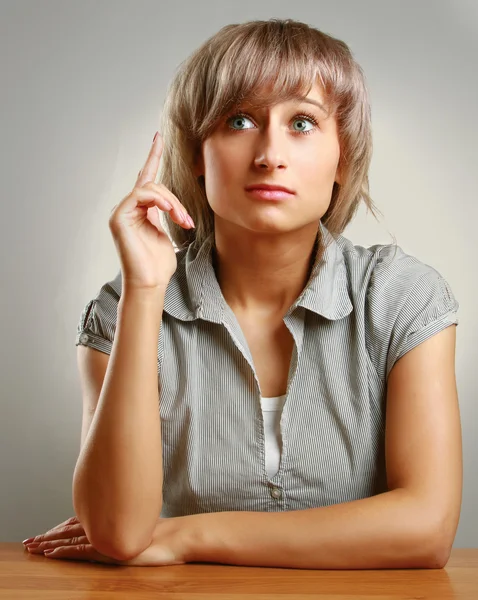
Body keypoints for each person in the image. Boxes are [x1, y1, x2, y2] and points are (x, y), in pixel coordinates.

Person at [23, 18, 462, 569]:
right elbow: (118, 531)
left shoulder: (402, 297)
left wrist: (184, 536)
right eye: (239, 120)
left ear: (341, 161)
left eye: (302, 122)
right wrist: (144, 290)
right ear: (198, 157)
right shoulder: (123, 308)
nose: (269, 153)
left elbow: (426, 531)